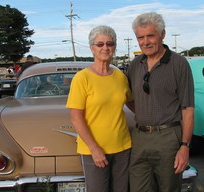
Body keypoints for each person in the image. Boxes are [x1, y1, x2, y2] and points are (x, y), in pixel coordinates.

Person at [127, 12, 195, 192]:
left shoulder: (179, 64)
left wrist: (184, 146)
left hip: (168, 138)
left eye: (150, 35)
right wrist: (144, 111)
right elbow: (128, 98)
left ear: (162, 34)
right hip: (139, 138)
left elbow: (187, 108)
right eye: (140, 37)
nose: (145, 42)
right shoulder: (135, 64)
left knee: (168, 188)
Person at [66, 25, 133, 192]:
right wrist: (94, 149)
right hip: (94, 150)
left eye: (110, 44)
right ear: (92, 48)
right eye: (100, 44)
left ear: (114, 48)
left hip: (123, 147)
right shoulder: (82, 78)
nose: (105, 48)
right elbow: (76, 118)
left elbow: (133, 104)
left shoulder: (120, 77)